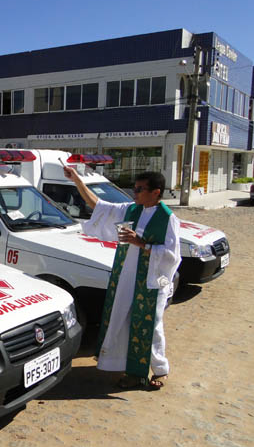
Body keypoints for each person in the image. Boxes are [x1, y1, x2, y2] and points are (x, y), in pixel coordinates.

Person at [63, 165, 180, 390]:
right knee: (122, 319)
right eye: (134, 188)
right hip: (126, 276)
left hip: (152, 281)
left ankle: (160, 369)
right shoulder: (131, 209)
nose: (134, 193)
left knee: (151, 325)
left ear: (156, 192)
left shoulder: (168, 219)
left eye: (139, 189)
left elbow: (172, 256)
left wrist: (142, 244)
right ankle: (127, 366)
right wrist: (76, 180)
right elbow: (98, 205)